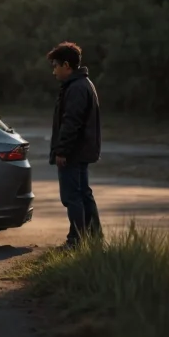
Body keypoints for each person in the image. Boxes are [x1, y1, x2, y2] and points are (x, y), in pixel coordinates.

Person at [47, 41, 102, 249]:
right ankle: (93, 239)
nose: (54, 71)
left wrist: (62, 151)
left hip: (74, 153)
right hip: (80, 151)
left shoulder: (77, 88)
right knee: (83, 194)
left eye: (56, 65)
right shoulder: (81, 84)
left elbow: (71, 123)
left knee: (72, 197)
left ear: (67, 66)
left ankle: (76, 242)